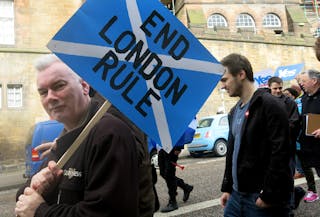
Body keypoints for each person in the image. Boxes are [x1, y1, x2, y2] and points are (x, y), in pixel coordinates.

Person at [15, 54, 140, 217]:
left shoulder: (110, 134)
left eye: (59, 86)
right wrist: (38, 185)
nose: (50, 98)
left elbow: (103, 213)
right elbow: (23, 200)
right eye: (43, 92)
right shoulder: (64, 139)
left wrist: (40, 211)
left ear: (84, 87)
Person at [219, 53, 293, 217]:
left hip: (259, 198)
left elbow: (281, 153)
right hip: (236, 196)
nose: (222, 85)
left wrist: (268, 194)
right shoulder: (233, 112)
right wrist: (228, 187)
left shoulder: (270, 105)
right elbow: (233, 153)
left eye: (224, 79)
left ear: (241, 74)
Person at [267, 76, 304, 214]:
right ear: (269, 87)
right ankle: (286, 199)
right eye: (275, 88)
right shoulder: (263, 102)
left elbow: (294, 124)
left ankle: (288, 207)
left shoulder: (290, 103)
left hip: (286, 148)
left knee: (288, 177)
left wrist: (275, 130)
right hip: (269, 149)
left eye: (280, 88)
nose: (278, 91)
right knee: (273, 177)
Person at [158, 118, 196, 213]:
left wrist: (179, 147)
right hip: (162, 144)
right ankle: (186, 187)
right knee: (163, 173)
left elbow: (181, 123)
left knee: (169, 174)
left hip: (173, 145)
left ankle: (173, 202)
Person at [296, 69, 320, 203]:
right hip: (307, 144)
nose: (301, 84)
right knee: (308, 168)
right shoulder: (305, 97)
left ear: (314, 81)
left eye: (304, 81)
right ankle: (313, 191)